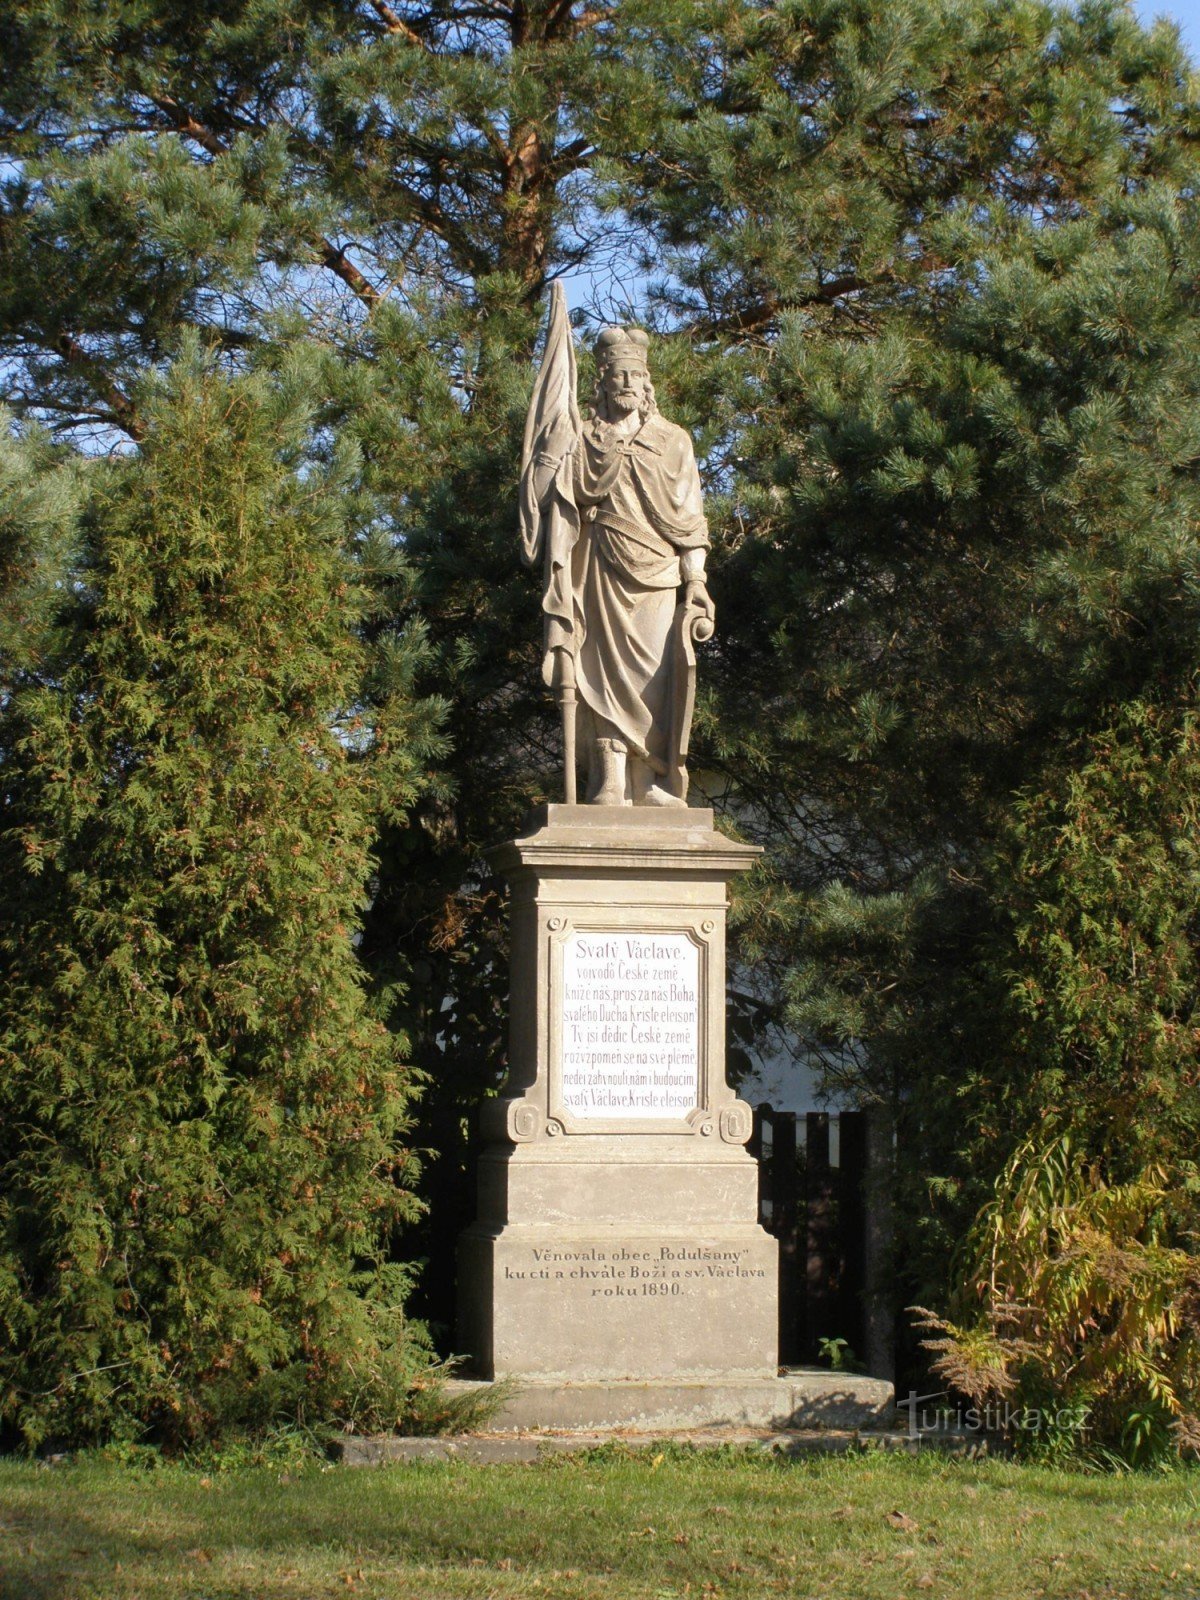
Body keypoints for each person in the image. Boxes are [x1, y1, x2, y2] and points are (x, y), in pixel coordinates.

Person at [520, 302, 714, 807]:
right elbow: (552, 496)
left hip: (658, 573)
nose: (626, 383)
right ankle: (609, 780)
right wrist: (551, 453)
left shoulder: (673, 441)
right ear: (602, 383)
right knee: (602, 675)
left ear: (647, 383)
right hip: (601, 567)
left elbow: (691, 519)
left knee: (653, 678)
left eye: (635, 374)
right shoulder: (585, 440)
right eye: (617, 375)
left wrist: (697, 584)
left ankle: (649, 781)